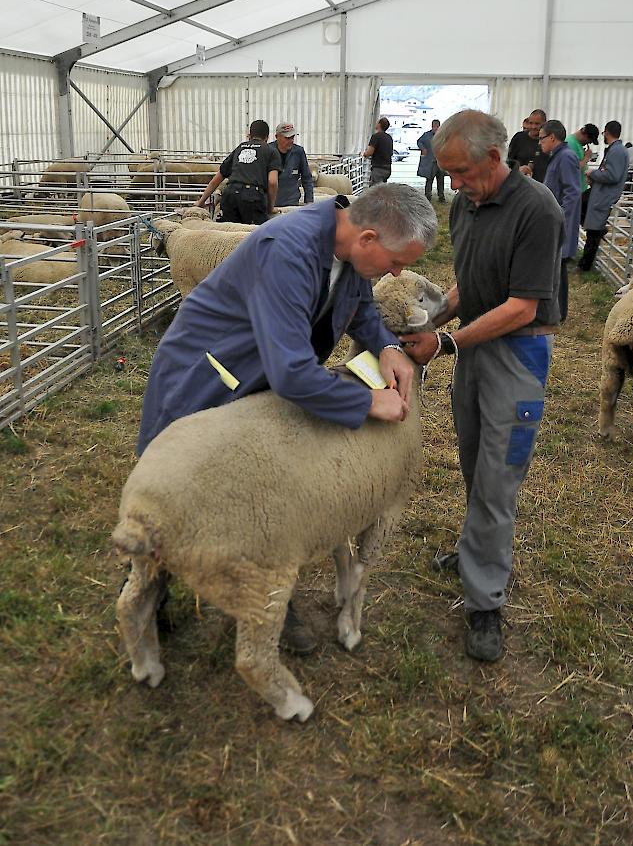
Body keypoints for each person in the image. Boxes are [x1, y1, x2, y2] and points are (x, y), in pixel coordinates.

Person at [138, 184, 437, 653]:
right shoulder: (289, 250)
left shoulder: (347, 247)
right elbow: (294, 373)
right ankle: (150, 589)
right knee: (177, 488)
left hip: (259, 377)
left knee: (255, 489)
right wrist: (367, 403)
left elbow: (357, 305)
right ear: (368, 238)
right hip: (209, 376)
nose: (398, 272)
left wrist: (388, 346)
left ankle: (273, 591)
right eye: (396, 262)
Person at [400, 110, 564, 663]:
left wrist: (447, 344)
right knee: (474, 463)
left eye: (460, 172)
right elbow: (470, 283)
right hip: (473, 348)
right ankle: (475, 552)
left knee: (498, 477)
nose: (453, 184)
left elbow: (524, 305)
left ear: (494, 158)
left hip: (516, 356)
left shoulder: (537, 210)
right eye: (446, 174)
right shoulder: (466, 208)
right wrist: (432, 321)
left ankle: (486, 600)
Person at [196, 120, 282, 224]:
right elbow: (272, 182)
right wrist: (270, 208)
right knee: (252, 236)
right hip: (253, 198)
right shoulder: (271, 151)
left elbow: (217, 178)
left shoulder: (240, 148)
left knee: (230, 235)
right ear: (267, 137)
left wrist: (201, 202)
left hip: (230, 195)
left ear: (249, 135)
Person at [539, 120, 582, 322]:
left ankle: (559, 312)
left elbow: (572, 192)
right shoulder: (559, 157)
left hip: (559, 224)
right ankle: (556, 310)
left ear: (552, 137)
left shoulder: (565, 157)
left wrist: (560, 218)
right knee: (555, 268)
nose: (540, 143)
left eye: (541, 138)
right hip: (555, 221)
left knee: (559, 268)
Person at [578, 121, 630, 272]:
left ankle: (585, 266)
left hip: (604, 196)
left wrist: (592, 173)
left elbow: (612, 175)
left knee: (594, 231)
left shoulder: (617, 151)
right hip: (600, 193)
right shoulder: (616, 150)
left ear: (606, 132)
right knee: (591, 224)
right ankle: (585, 264)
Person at [269, 122, 314, 208]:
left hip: (291, 204)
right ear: (277, 137)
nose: (291, 140)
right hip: (272, 205)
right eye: (287, 138)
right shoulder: (268, 151)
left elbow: (307, 178)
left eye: (292, 137)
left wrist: (309, 202)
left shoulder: (298, 152)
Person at [566, 123, 599, 225]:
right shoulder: (570, 143)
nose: (588, 142)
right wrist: (586, 158)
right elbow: (572, 168)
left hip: (579, 190)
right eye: (589, 139)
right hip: (574, 191)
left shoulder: (578, 145)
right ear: (584, 134)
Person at [507, 109, 550, 182]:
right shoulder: (519, 138)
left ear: (544, 124)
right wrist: (518, 169)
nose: (533, 127)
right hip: (519, 184)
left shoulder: (549, 141)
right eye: (531, 123)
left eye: (537, 124)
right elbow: (508, 162)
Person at [417, 119, 446, 203]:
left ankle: (441, 196)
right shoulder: (426, 135)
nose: (435, 128)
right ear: (432, 126)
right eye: (434, 127)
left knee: (441, 180)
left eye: (437, 127)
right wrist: (423, 148)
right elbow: (419, 142)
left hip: (440, 162)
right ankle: (428, 196)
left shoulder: (443, 136)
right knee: (429, 179)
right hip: (431, 162)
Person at [363, 117, 393, 186]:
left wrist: (364, 154)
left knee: (375, 191)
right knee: (382, 188)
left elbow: (369, 152)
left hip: (378, 168)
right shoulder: (389, 138)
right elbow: (390, 153)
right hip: (387, 168)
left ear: (379, 125)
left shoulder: (376, 137)